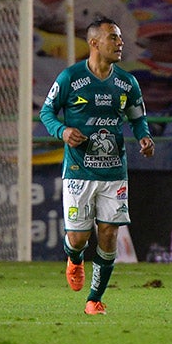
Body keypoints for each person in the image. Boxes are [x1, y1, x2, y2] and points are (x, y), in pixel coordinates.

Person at [39, 17, 155, 315]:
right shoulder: (70, 77)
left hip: (114, 173)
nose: (120, 43)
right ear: (94, 43)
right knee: (78, 238)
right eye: (113, 38)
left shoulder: (127, 82)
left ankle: (94, 298)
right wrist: (62, 131)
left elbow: (137, 117)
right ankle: (74, 258)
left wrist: (144, 137)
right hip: (79, 172)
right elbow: (47, 112)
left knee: (108, 234)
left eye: (120, 38)